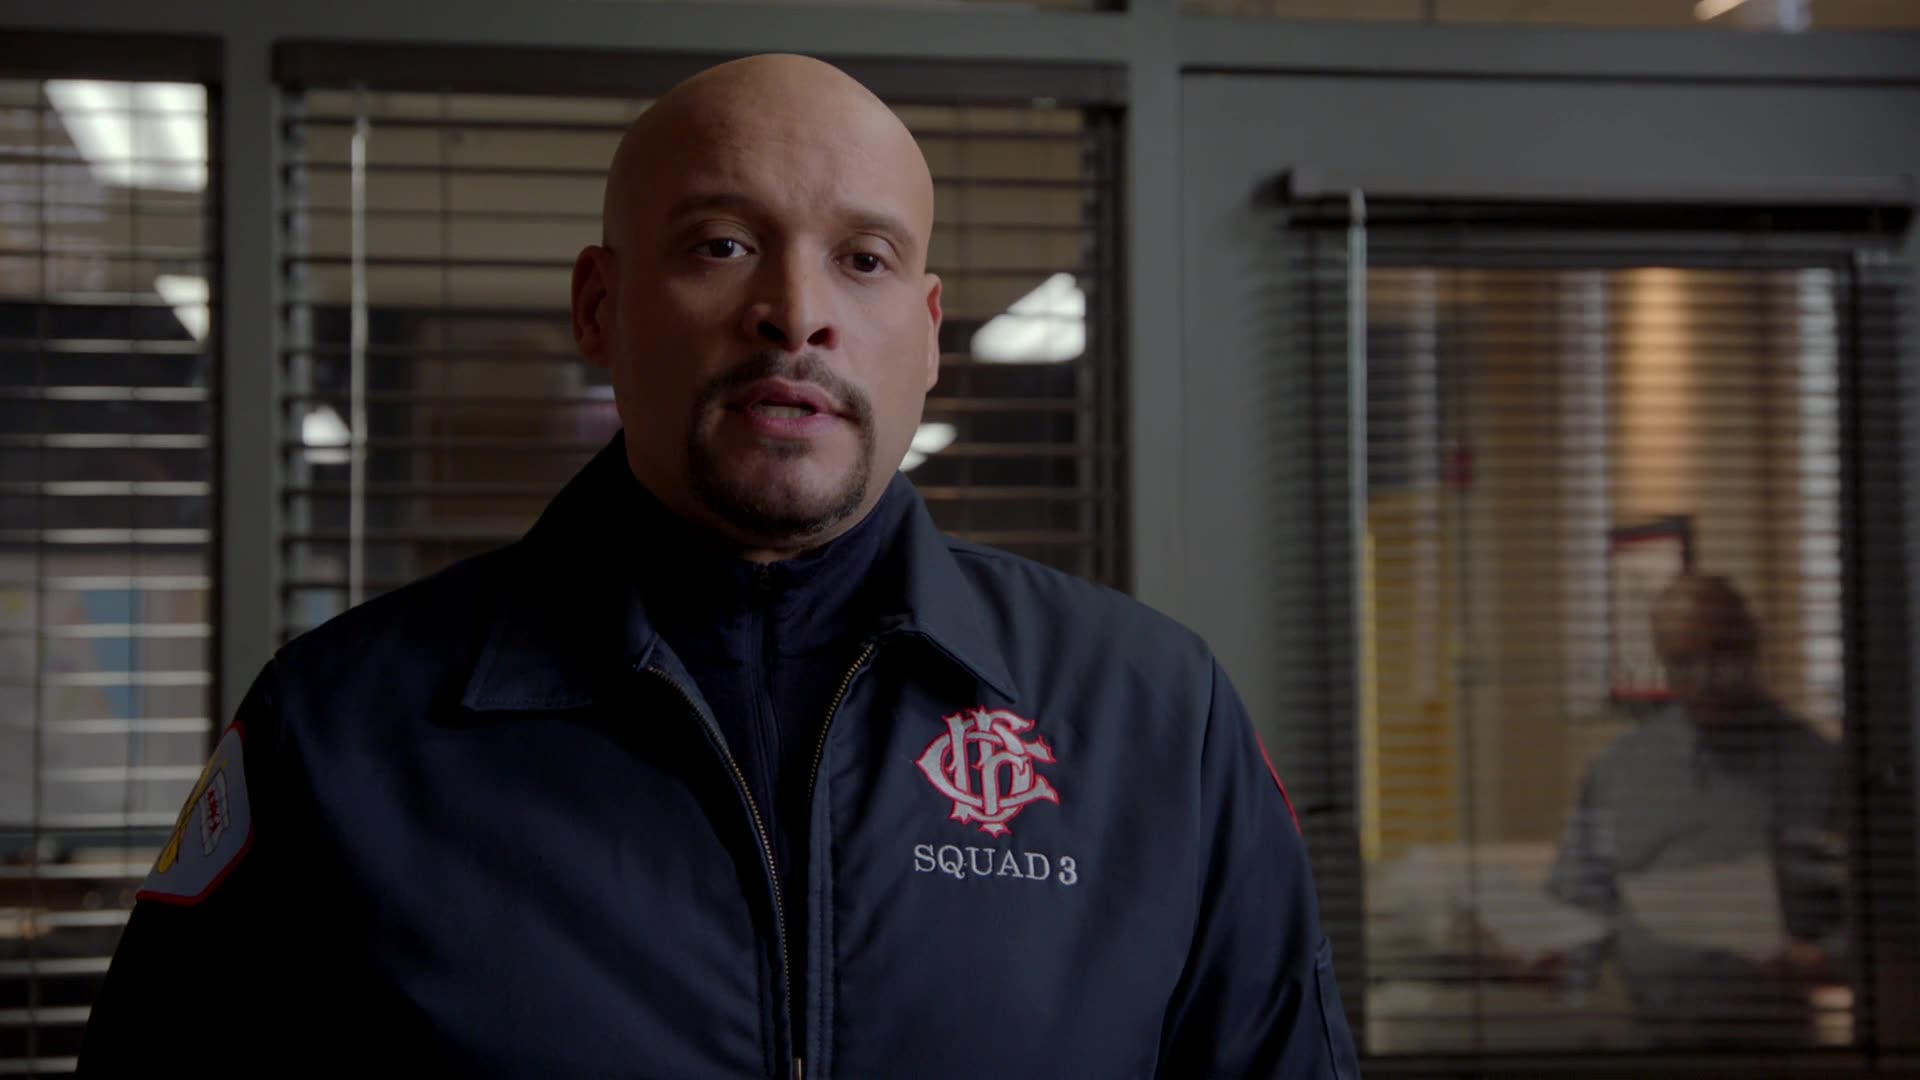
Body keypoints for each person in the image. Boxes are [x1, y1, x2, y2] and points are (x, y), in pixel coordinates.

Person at [78, 55, 1359, 1078]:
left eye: (864, 259)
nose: (795, 311)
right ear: (599, 306)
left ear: (926, 333)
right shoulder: (340, 731)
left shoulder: (1154, 720)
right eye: (721, 245)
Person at [1544, 573, 1845, 1046]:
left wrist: (1826, 958)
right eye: (1683, 662)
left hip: (1770, 1046)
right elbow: (1580, 895)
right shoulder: (1618, 769)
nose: (1704, 678)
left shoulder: (1820, 768)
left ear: (1752, 646)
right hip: (1641, 1038)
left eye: (1720, 653)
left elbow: (1882, 916)